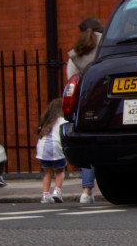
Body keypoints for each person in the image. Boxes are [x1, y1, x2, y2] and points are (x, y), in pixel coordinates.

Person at [66, 17, 104, 203]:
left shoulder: (75, 53)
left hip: (86, 105)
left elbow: (71, 79)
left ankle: (86, 192)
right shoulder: (107, 45)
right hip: (110, 102)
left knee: (89, 146)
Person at [36, 98, 67, 203]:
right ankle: (57, 191)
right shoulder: (62, 121)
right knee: (60, 171)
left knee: (48, 173)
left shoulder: (45, 121)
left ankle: (45, 195)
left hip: (42, 150)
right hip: (55, 148)